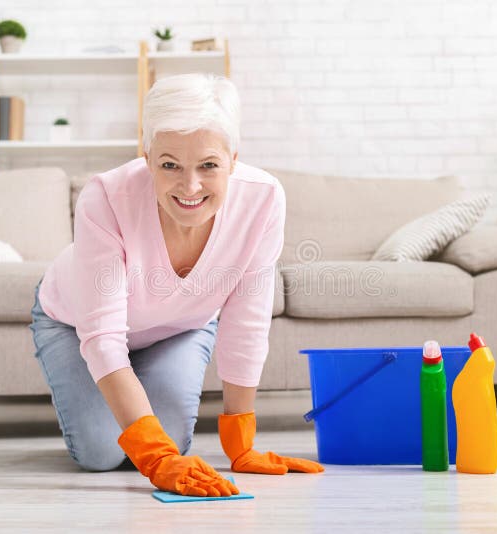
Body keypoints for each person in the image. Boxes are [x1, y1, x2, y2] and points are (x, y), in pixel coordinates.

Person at [28, 72, 324, 497]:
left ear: (233, 158)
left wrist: (241, 444)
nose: (190, 186)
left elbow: (247, 321)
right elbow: (103, 336)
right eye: (170, 165)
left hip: (180, 326)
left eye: (208, 165)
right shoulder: (106, 198)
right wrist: (156, 457)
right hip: (75, 322)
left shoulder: (262, 200)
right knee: (100, 453)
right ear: (146, 156)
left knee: (171, 440)